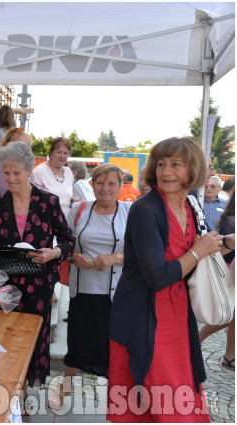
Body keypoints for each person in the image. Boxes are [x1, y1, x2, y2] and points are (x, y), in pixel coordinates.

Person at [107, 137, 226, 422]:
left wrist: (225, 243)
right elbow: (157, 276)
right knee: (158, 405)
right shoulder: (145, 209)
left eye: (176, 164)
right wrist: (198, 252)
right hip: (143, 318)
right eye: (161, 164)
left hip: (177, 318)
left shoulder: (191, 205)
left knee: (178, 401)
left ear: (193, 169)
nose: (166, 171)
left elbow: (203, 244)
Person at [0, 142, 75, 386]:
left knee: (33, 338)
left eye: (16, 172)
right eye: (6, 172)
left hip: (38, 285)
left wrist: (53, 253)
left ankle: (27, 387)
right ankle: (7, 385)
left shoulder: (47, 202)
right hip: (3, 286)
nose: (11, 178)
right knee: (4, 337)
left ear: (30, 171)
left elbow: (68, 239)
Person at [48, 163, 131, 409]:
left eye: (111, 183)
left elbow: (140, 252)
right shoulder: (79, 209)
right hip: (83, 289)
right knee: (77, 341)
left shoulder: (131, 211)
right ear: (91, 184)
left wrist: (114, 258)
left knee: (116, 344)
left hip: (118, 292)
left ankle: (119, 394)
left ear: (120, 186)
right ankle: (65, 386)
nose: (105, 188)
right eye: (99, 182)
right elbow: (64, 241)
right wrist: (73, 256)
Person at [198, 190, 235, 370]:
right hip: (228, 273)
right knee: (230, 315)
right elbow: (226, 252)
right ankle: (197, 338)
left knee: (234, 318)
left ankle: (230, 357)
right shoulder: (231, 220)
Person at [30, 137, 78, 219]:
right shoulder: (39, 171)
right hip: (46, 221)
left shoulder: (68, 172)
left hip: (66, 222)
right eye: (59, 152)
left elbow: (66, 195)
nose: (62, 156)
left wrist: (73, 200)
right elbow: (33, 200)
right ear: (51, 153)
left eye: (65, 153)